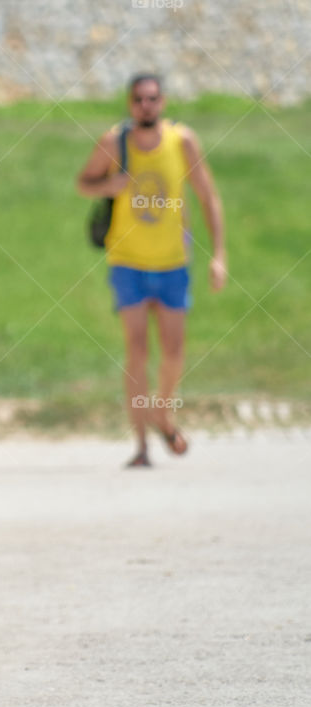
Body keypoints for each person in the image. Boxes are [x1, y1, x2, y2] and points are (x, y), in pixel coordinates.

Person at [76, 73, 227, 468]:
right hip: (127, 261)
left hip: (173, 262)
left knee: (174, 352)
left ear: (163, 101)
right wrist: (110, 185)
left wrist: (219, 254)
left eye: (153, 98)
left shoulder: (183, 142)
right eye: (139, 99)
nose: (146, 105)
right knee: (138, 351)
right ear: (129, 103)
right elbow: (83, 183)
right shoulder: (114, 142)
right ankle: (141, 444)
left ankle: (162, 413)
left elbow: (208, 195)